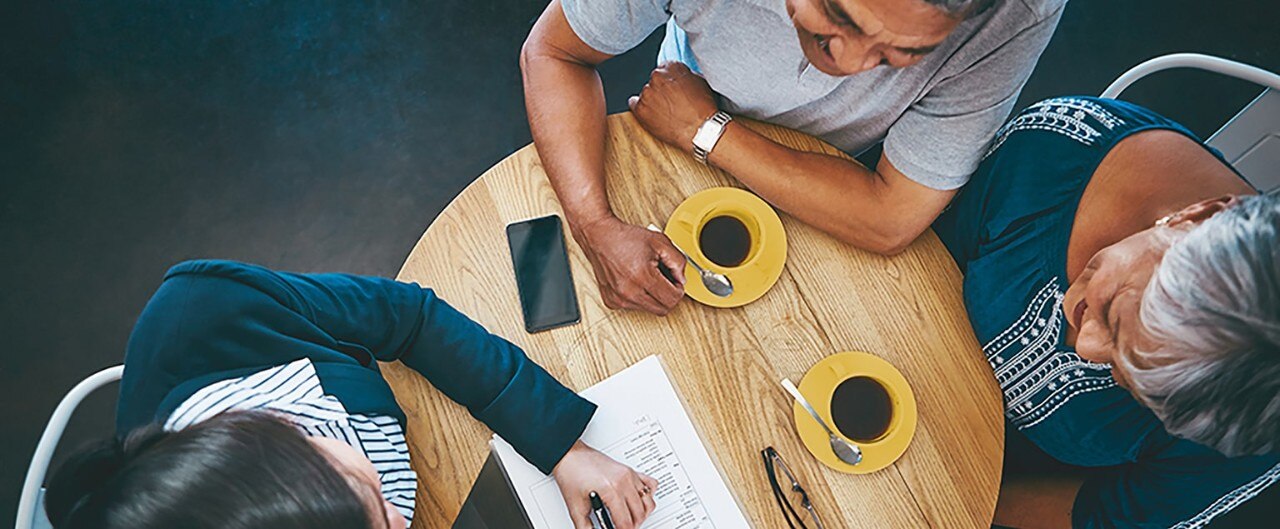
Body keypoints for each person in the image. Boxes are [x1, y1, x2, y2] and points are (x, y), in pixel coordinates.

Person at [521, 0, 1066, 315]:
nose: (849, 64)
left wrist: (706, 131)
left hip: (828, 180)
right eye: (837, 12)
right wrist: (594, 222)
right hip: (677, 112)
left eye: (902, 54)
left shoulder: (1018, 11)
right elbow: (553, 51)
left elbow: (891, 216)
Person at [44, 260, 658, 529]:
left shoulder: (209, 309)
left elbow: (409, 316)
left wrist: (561, 446)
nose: (403, 522)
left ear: (287, 433)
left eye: (368, 497)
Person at [930, 96, 1280, 527]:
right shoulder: (1052, 151)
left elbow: (1107, 515)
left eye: (1130, 383)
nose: (1088, 349)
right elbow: (912, 261)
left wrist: (942, 499)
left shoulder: (1251, 425)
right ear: (1199, 215)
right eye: (1113, 311)